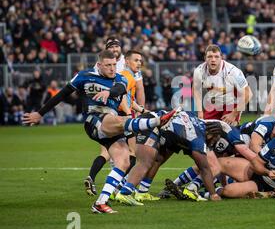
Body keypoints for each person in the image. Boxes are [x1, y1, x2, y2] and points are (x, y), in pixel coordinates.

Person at [22, 50, 176, 214]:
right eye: (108, 65)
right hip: (94, 120)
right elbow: (61, 94)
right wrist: (40, 113)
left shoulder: (120, 78)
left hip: (111, 125)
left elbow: (118, 89)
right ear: (99, 64)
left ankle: (100, 203)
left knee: (124, 160)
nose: (112, 68)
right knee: (119, 121)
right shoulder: (84, 76)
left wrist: (109, 92)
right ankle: (155, 122)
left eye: (114, 65)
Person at [114, 111, 222, 205]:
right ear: (210, 133)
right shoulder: (198, 139)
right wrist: (213, 194)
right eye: (214, 140)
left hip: (159, 126)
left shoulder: (197, 124)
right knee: (145, 162)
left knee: (158, 159)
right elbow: (204, 168)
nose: (212, 144)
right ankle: (124, 192)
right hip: (153, 123)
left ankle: (141, 193)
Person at [83, 37, 145, 196]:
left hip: (111, 115)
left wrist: (139, 109)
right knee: (131, 153)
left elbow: (131, 94)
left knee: (109, 153)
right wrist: (131, 114)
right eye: (111, 47)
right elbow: (125, 97)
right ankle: (122, 188)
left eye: (117, 46)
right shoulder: (124, 73)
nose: (115, 49)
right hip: (115, 115)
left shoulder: (125, 69)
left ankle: (94, 178)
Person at [192, 44, 252, 126]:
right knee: (206, 130)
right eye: (210, 57)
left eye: (216, 57)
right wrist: (200, 112)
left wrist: (233, 114)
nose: (213, 60)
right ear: (205, 58)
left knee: (227, 129)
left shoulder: (234, 72)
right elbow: (196, 90)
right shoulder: (199, 71)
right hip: (215, 103)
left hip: (232, 103)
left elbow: (248, 94)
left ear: (221, 58)